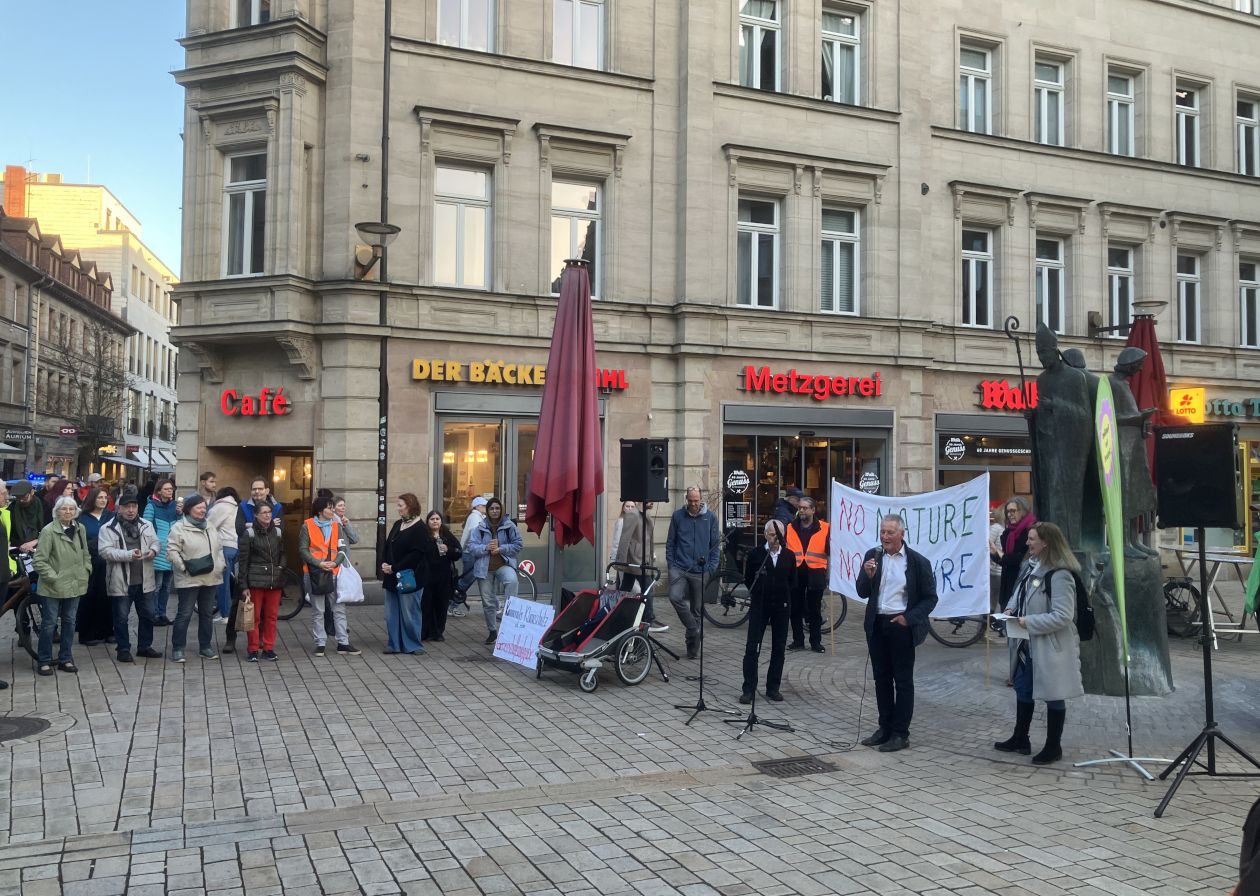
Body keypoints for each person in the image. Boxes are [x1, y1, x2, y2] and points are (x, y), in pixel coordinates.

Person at [993, 520, 1084, 765]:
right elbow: (1019, 593)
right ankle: (1020, 738)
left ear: (1046, 543)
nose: (1027, 542)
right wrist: (1011, 609)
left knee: (1054, 695)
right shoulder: (1031, 566)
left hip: (1049, 645)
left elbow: (1064, 615)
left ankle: (1053, 747)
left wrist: (1029, 621)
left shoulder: (1060, 574)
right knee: (1023, 689)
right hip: (1027, 644)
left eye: (1032, 539)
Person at [855, 514, 939, 753]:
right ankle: (885, 727)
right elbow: (861, 591)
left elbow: (930, 598)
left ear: (902, 534)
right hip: (877, 624)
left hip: (901, 625)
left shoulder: (917, 562)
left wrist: (908, 619)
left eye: (890, 532)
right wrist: (867, 575)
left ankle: (901, 733)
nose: (885, 537)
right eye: (882, 532)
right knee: (881, 679)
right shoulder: (873, 555)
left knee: (902, 681)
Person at [98, 487, 162, 663]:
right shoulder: (108, 528)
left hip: (145, 578)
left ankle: (144, 646)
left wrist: (152, 552)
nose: (130, 510)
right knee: (121, 617)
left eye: (133, 506)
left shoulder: (146, 525)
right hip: (120, 580)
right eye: (127, 507)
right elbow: (104, 551)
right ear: (119, 508)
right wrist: (128, 555)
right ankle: (123, 648)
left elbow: (156, 542)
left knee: (148, 614)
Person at [33, 496, 93, 676]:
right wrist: (54, 577)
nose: (68, 512)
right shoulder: (49, 531)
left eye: (71, 509)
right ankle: (43, 660)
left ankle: (65, 658)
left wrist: (86, 570)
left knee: (70, 622)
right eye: (64, 509)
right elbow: (39, 560)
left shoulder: (80, 528)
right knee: (49, 624)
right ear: (57, 511)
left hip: (75, 583)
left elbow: (85, 553)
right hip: (54, 586)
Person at [740, 519, 796, 704]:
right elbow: (749, 579)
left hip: (781, 606)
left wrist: (784, 596)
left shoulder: (788, 555)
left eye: (779, 535)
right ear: (765, 535)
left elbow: (792, 581)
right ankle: (749, 688)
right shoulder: (757, 554)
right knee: (752, 647)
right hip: (760, 605)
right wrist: (758, 593)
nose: (776, 539)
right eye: (773, 535)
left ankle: (773, 687)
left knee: (778, 648)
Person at [167, 493, 226, 662]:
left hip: (210, 576)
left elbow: (219, 548)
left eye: (204, 507)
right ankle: (178, 648)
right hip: (189, 577)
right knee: (184, 614)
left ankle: (205, 647)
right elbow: (171, 551)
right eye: (198, 507)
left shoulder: (210, 526)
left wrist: (220, 564)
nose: (202, 510)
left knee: (207, 614)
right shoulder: (179, 527)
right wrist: (184, 567)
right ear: (189, 509)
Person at [665, 486, 721, 660]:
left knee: (697, 610)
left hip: (701, 570)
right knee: (674, 597)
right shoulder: (677, 516)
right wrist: (671, 563)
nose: (693, 504)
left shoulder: (710, 518)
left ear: (701, 499)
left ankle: (692, 648)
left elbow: (715, 545)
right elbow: (671, 543)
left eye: (696, 501)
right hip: (679, 567)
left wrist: (711, 567)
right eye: (690, 500)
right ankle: (693, 629)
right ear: (686, 499)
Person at [300, 496, 360, 657]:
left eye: (332, 507)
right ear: (320, 510)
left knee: (339, 609)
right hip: (314, 573)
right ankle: (320, 643)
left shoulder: (336, 526)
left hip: (334, 572)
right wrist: (319, 563)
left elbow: (342, 549)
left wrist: (335, 563)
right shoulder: (307, 525)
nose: (332, 510)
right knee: (318, 610)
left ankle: (343, 643)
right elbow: (303, 550)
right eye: (329, 507)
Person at [466, 497, 523, 645]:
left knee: (512, 580)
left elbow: (518, 545)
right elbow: (472, 547)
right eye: (491, 508)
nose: (494, 511)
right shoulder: (479, 527)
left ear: (501, 509)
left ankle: (509, 615)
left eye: (497, 508)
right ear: (487, 510)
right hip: (484, 569)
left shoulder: (510, 526)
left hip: (503, 564)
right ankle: (492, 631)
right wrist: (485, 548)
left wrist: (502, 549)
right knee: (488, 602)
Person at [379, 493, 428, 655]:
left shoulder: (420, 528)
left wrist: (395, 567)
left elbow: (416, 554)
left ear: (410, 506)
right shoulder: (398, 524)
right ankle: (394, 644)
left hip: (409, 576)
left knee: (409, 612)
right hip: (391, 576)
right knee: (391, 613)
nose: (398, 508)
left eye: (400, 505)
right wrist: (385, 564)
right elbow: (387, 545)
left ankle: (413, 645)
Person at [237, 501, 285, 662]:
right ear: (256, 515)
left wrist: (280, 567)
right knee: (254, 617)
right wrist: (244, 585)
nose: (267, 515)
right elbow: (243, 561)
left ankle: (268, 647)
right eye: (264, 512)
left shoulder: (277, 532)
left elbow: (283, 553)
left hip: (274, 580)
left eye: (269, 512)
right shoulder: (249, 534)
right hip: (255, 581)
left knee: (271, 616)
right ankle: (253, 648)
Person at [613, 501, 667, 633]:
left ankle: (617, 616)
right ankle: (648, 620)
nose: (652, 503)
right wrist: (621, 562)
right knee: (647, 589)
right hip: (636, 560)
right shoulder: (633, 515)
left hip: (642, 560)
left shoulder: (644, 515)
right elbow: (624, 539)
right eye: (649, 500)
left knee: (625, 588)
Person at [785, 496, 829, 653]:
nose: (801, 510)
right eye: (800, 508)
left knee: (814, 610)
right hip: (795, 572)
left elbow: (832, 550)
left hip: (815, 572)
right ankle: (798, 640)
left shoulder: (825, 528)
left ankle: (815, 642)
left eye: (804, 508)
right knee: (795, 609)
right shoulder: (790, 527)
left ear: (813, 510)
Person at [76, 487, 116, 646]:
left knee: (107, 596)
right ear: (93, 499)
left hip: (108, 561)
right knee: (89, 596)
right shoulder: (82, 518)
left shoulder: (112, 516)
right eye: (100, 497)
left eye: (105, 497)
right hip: (90, 561)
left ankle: (107, 631)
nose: (103, 500)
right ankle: (87, 633)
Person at [143, 478, 180, 626]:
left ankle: (162, 613)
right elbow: (146, 528)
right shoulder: (151, 506)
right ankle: (153, 614)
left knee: (166, 586)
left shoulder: (176, 506)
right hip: (158, 551)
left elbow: (181, 525)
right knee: (156, 586)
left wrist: (180, 513)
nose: (170, 491)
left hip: (171, 550)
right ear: (159, 491)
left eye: (171, 489)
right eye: (166, 489)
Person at [422, 510, 461, 642]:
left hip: (444, 576)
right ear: (428, 521)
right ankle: (426, 631)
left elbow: (458, 552)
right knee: (427, 604)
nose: (435, 521)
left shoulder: (446, 535)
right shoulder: (424, 536)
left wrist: (448, 549)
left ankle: (438, 632)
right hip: (427, 575)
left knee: (441, 604)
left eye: (437, 519)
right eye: (432, 519)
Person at [994, 497, 1036, 611]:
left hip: (1023, 581)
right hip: (1007, 585)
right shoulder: (1008, 532)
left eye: (1013, 511)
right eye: (1008, 511)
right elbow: (1004, 562)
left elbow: (1022, 558)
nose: (1010, 514)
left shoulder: (1032, 530)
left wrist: (1001, 555)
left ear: (1022, 511)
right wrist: (994, 553)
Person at [207, 486, 241, 623]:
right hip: (234, 546)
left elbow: (209, 525)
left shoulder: (221, 507)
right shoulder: (235, 506)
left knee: (222, 583)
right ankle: (227, 612)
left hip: (223, 547)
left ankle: (225, 614)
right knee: (229, 582)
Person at [451, 496, 487, 617]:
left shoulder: (478, 517)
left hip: (473, 553)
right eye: (484, 505)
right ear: (477, 506)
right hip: (472, 554)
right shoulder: (475, 518)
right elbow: (473, 537)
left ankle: (494, 605)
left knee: (484, 579)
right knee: (466, 581)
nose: (486, 508)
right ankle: (452, 605)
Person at [9, 480, 46, 552]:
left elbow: (49, 532)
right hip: (17, 549)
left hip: (39, 549)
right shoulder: (12, 507)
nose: (21, 500)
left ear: (32, 492)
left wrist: (35, 541)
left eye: (24, 497)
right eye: (18, 498)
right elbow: (10, 532)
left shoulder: (44, 506)